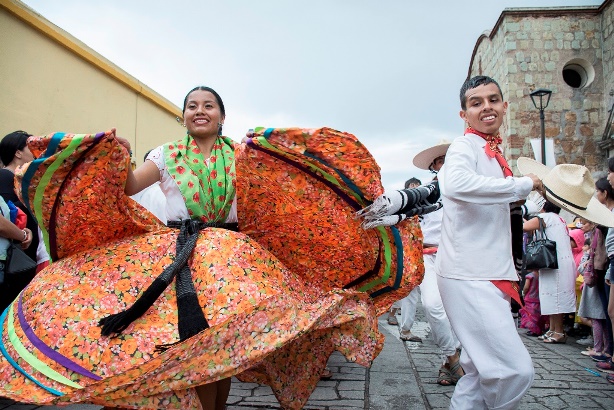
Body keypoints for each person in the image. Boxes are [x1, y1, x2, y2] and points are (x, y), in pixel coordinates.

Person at [436, 76, 541, 409]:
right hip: (469, 272)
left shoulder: (492, 153)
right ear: (464, 114)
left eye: (493, 100)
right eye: (476, 102)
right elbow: (455, 184)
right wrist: (521, 185)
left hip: (488, 269)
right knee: (514, 370)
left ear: (504, 106)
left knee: (478, 371)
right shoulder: (464, 146)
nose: (486, 108)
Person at [0, 131, 47, 310]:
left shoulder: (20, 180)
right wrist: (21, 233)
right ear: (18, 152)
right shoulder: (5, 177)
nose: (35, 151)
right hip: (9, 261)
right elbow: (8, 215)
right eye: (30, 147)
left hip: (16, 257)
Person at [523, 200, 576, 344]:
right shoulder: (559, 218)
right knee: (551, 296)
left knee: (556, 296)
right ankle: (553, 329)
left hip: (555, 262)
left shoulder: (547, 217)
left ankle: (559, 331)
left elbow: (524, 227)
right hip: (555, 262)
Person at [386, 176, 422, 327]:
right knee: (402, 284)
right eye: (412, 187)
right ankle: (393, 313)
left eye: (418, 187)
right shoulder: (402, 207)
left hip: (422, 252)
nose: (415, 189)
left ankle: (405, 325)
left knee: (412, 289)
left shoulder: (425, 207)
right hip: (405, 252)